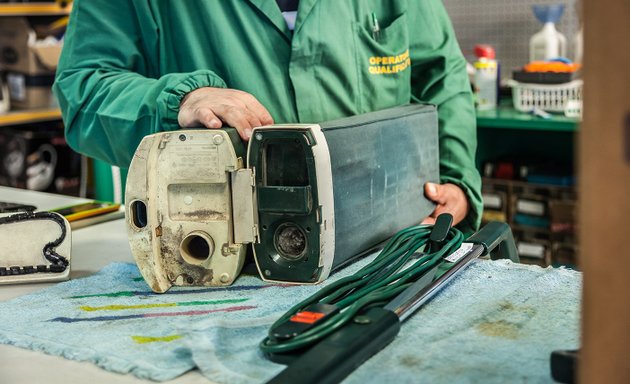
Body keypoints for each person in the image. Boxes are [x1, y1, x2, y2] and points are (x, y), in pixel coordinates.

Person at [53, 0, 482, 235]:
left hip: (386, 251)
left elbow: (441, 75)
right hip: (220, 265)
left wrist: (458, 181)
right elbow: (82, 89)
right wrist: (179, 101)